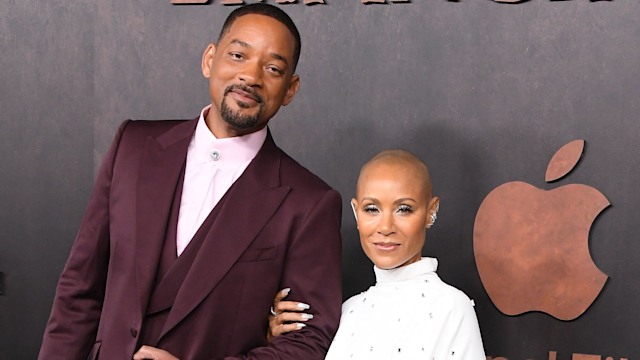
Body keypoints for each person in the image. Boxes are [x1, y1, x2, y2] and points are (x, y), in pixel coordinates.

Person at [38, 4, 343, 360]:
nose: (250, 76)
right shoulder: (133, 146)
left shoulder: (309, 202)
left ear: (290, 89)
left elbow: (306, 344)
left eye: (272, 68)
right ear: (209, 59)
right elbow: (79, 290)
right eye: (238, 55)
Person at [269, 150, 486, 359]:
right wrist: (276, 341)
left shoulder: (451, 306)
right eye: (372, 209)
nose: (385, 227)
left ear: (431, 211)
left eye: (404, 209)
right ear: (356, 212)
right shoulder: (347, 312)